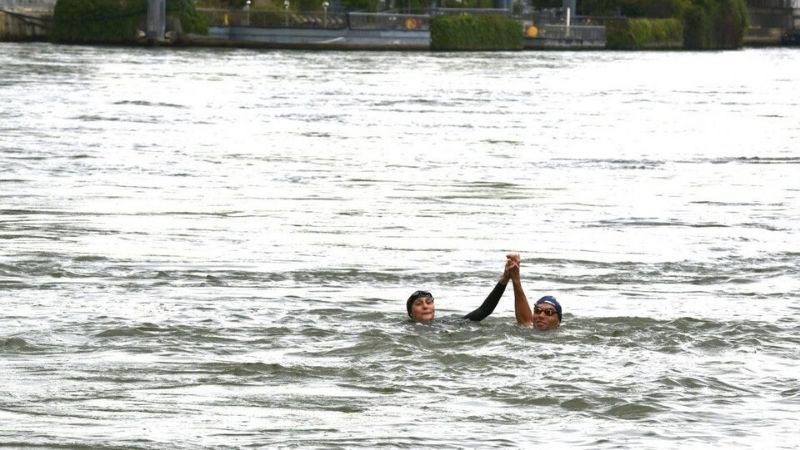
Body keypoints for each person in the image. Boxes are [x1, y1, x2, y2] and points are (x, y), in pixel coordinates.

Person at [406, 258, 516, 323]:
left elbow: (484, 310)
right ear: (410, 313)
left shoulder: (446, 324)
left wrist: (504, 280)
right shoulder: (404, 328)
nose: (425, 306)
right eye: (418, 303)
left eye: (429, 302)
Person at [507, 253, 562, 331]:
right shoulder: (527, 330)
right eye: (537, 311)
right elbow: (525, 321)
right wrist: (515, 277)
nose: (541, 316)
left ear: (558, 322)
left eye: (549, 312)